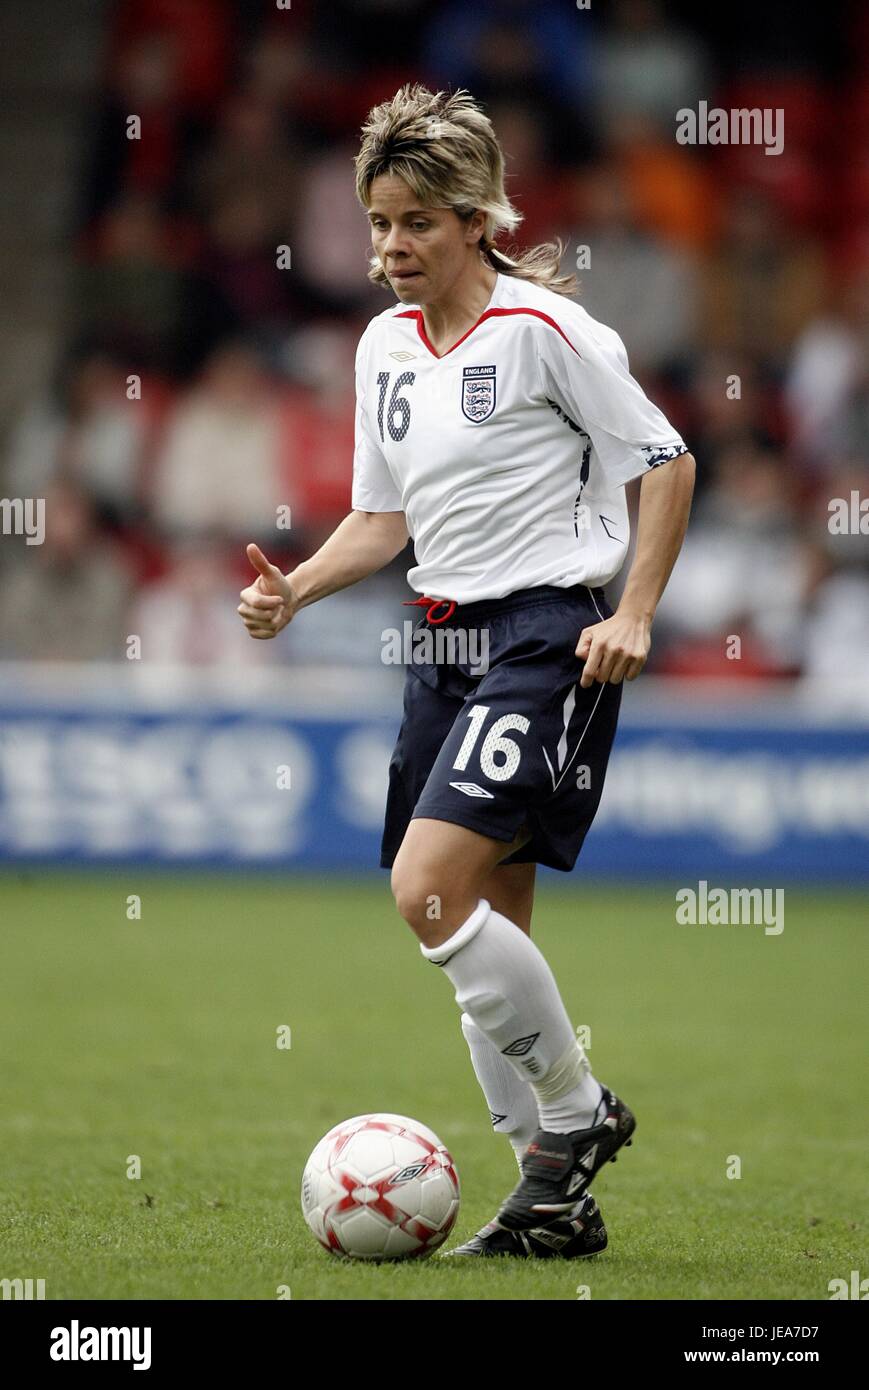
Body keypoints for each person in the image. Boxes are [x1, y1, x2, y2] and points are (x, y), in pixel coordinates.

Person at [237, 85, 695, 1259]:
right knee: (480, 921)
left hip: (544, 637)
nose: (391, 247)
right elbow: (381, 521)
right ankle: (550, 1199)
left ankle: (581, 1116)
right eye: (379, 223)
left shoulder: (544, 331)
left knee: (423, 888)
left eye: (416, 224)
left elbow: (666, 458)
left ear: (477, 218)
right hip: (438, 643)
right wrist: (296, 587)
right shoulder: (382, 346)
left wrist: (631, 612)